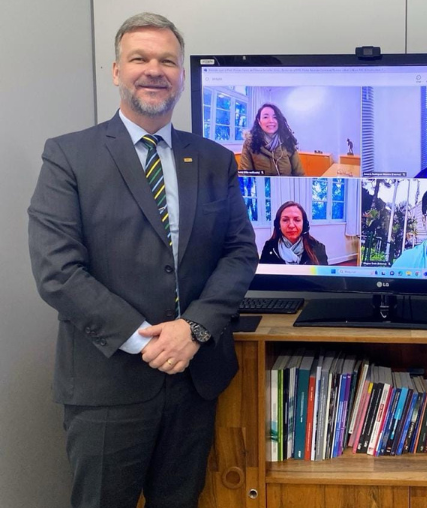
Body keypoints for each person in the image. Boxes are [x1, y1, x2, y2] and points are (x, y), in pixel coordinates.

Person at [27, 13, 259, 508]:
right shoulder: (69, 156)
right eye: (140, 58)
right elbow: (57, 271)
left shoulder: (215, 159)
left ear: (180, 75)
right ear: (116, 71)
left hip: (194, 380)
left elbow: (239, 251)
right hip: (107, 383)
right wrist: (145, 340)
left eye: (167, 61)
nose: (154, 70)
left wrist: (192, 329)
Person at [239, 103, 305, 176]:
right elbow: (245, 175)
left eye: (275, 117)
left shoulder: (288, 142)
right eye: (265, 117)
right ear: (259, 121)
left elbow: (299, 174)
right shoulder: (250, 143)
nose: (271, 120)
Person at [260, 201, 328, 265]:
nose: (291, 225)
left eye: (297, 220)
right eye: (285, 220)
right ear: (278, 224)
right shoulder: (269, 247)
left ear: (304, 224)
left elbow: (324, 277)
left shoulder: (318, 248)